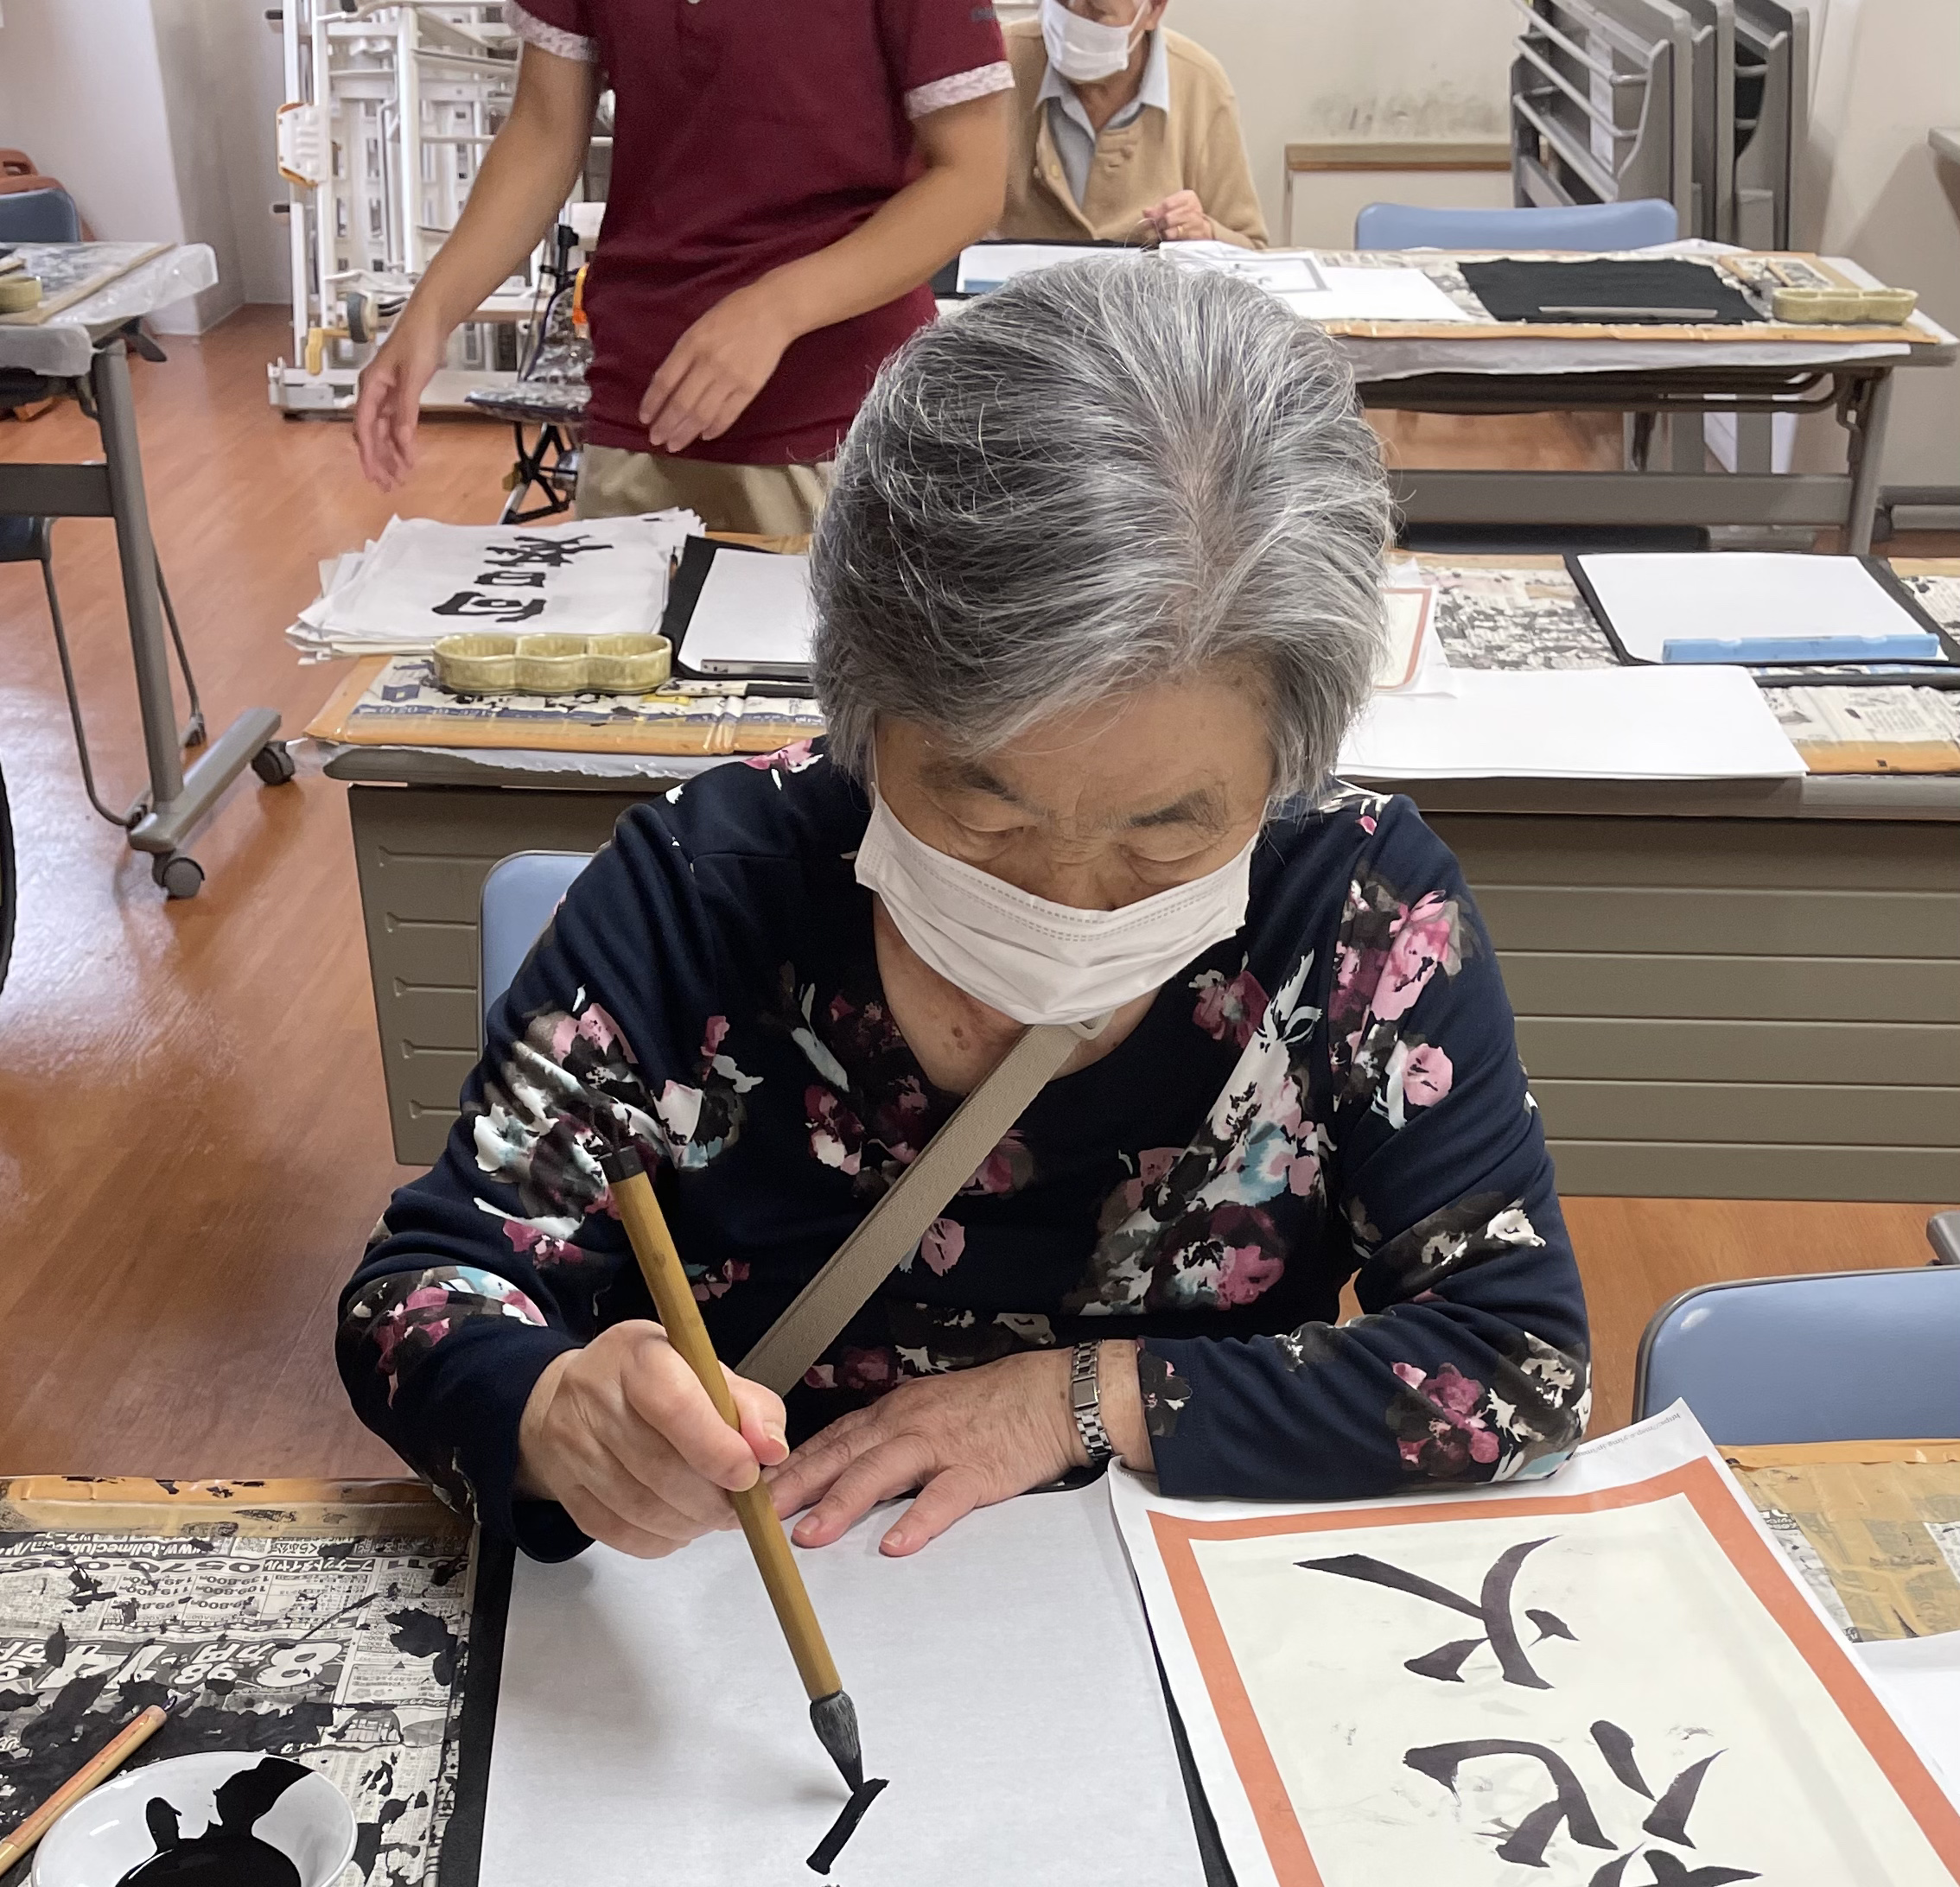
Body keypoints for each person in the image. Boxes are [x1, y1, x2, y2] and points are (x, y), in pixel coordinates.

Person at [337, 258, 1588, 1568]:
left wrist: (1080, 1401)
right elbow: (418, 1296)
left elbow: (1518, 1358)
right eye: (985, 816)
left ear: (1288, 770)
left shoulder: (1358, 918)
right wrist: (553, 1414)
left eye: (1167, 834)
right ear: (862, 712)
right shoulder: (708, 895)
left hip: (1167, 1609)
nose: (1064, 900)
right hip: (757, 1593)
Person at [353, 3, 1012, 539]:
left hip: (837, 417)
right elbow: (544, 131)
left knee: (826, 660)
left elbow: (974, 178)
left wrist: (776, 309)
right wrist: (429, 315)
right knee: (622, 659)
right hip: (641, 399)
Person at [997, 0, 1268, 252]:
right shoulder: (1002, 62)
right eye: (1059, 3)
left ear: (1154, 10)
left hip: (1146, 287)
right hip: (1012, 282)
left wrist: (1204, 233)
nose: (1070, 20)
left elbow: (1251, 249)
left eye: (1096, 10)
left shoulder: (1200, 84)